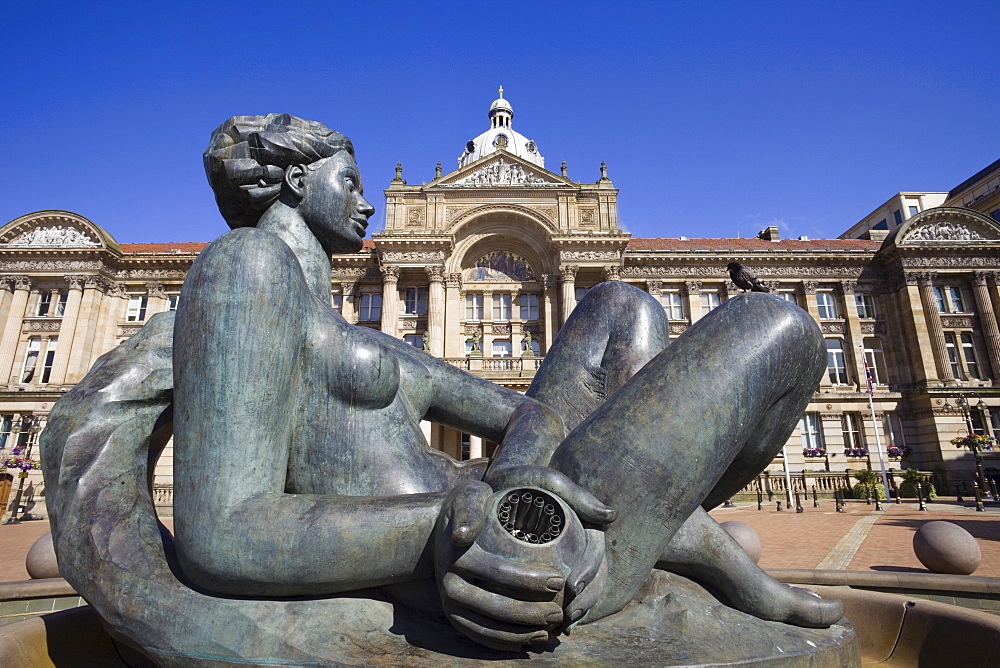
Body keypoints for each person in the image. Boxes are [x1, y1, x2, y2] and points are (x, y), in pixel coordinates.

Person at [167, 113, 841, 652]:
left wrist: (507, 475)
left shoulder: (356, 337)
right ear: (292, 181)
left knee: (622, 304)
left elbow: (534, 418)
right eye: (349, 183)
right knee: (781, 327)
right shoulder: (247, 266)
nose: (368, 204)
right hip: (498, 557)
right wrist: (449, 526)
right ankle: (676, 542)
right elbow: (223, 532)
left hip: (511, 505)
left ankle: (672, 537)